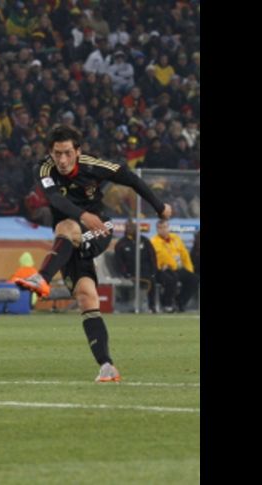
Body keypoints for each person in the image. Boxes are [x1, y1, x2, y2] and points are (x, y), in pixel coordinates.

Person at [14, 125, 172, 382]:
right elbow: (55, 200)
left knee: (66, 227)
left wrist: (159, 206)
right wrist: (80, 215)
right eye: (57, 154)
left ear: (78, 150)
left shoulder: (92, 165)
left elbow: (129, 177)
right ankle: (107, 366)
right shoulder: (44, 169)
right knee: (87, 298)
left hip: (99, 227)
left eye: (67, 153)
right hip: (67, 242)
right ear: (50, 152)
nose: (62, 160)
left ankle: (41, 277)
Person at [151, 219, 199, 313]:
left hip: (177, 268)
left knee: (194, 279)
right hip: (162, 270)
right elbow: (159, 257)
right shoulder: (154, 242)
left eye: (165, 227)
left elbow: (184, 255)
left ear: (168, 228)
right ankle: (166, 304)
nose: (163, 230)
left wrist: (189, 269)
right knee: (172, 279)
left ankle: (180, 302)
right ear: (157, 229)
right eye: (160, 228)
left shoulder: (176, 238)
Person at [114, 220, 158, 313]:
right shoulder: (121, 244)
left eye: (132, 226)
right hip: (131, 273)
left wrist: (153, 271)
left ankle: (151, 306)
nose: (130, 228)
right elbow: (119, 262)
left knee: (151, 280)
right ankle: (128, 306)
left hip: (146, 271)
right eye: (128, 226)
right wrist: (125, 274)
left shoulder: (145, 241)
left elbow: (152, 257)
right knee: (143, 281)